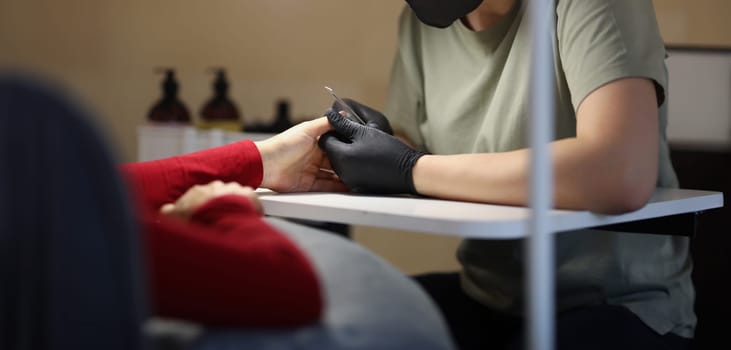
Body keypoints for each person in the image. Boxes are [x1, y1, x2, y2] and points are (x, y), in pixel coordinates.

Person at [318, 0, 694, 349]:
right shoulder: (422, 26)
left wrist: (410, 168)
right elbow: (408, 144)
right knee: (345, 326)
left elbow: (620, 173)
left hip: (619, 303)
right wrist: (376, 143)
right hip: (489, 295)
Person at [0, 74, 456, 350]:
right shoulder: (34, 134)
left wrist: (259, 161)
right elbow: (284, 287)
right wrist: (228, 208)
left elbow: (83, 196)